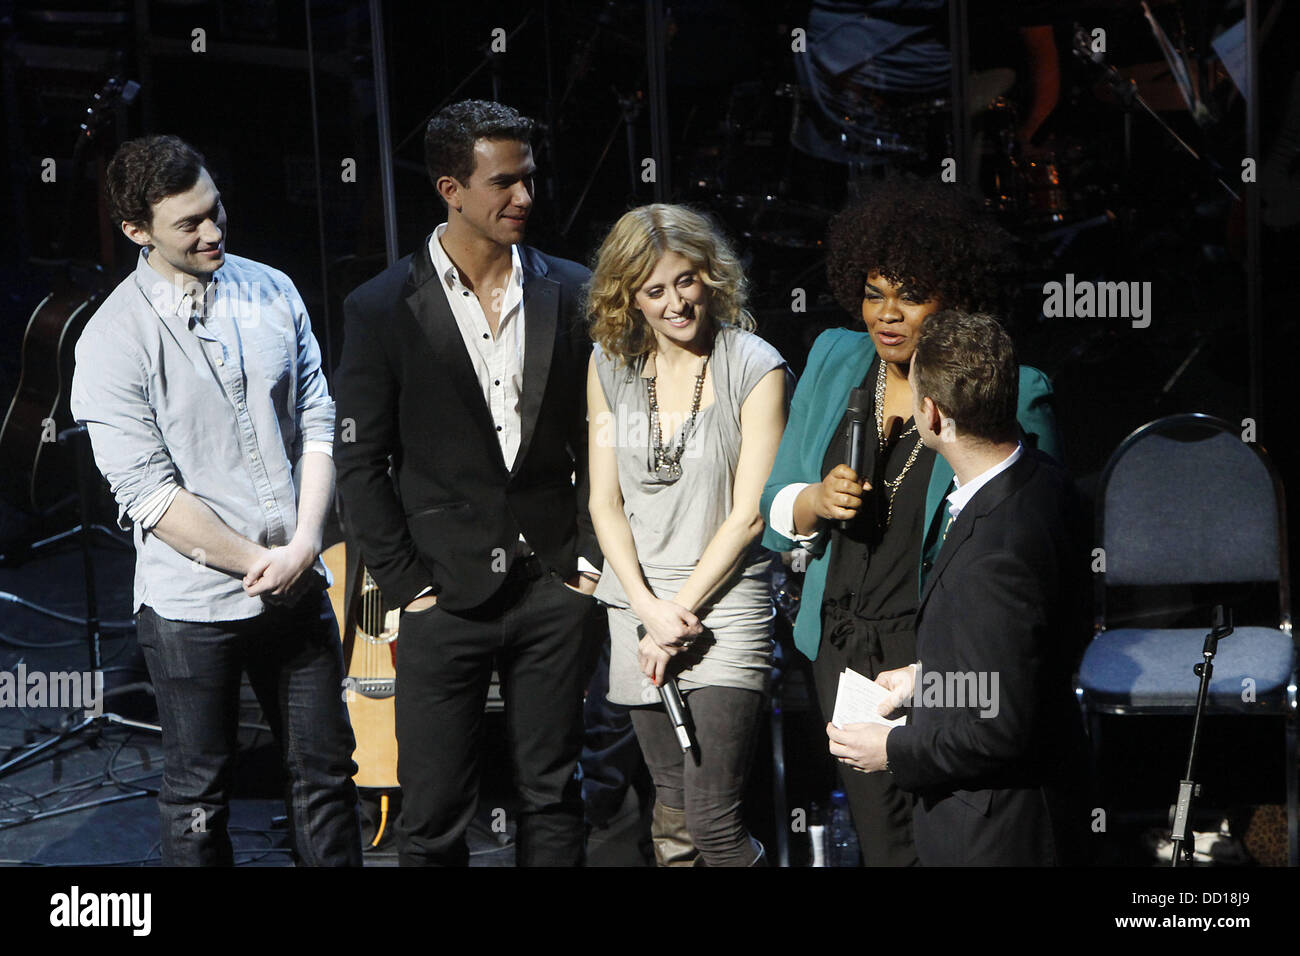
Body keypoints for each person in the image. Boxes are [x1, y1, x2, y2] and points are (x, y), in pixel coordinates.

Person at [70, 134, 361, 865]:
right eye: (189, 224)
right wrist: (258, 562)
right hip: (194, 607)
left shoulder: (270, 288)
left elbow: (319, 419)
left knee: (326, 775)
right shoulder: (113, 339)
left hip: (296, 580)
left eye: (215, 210)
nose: (213, 232)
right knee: (200, 792)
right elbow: (147, 491)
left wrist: (303, 546)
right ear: (138, 231)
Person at [758, 174, 1061, 866]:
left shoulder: (1012, 386)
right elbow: (773, 509)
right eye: (873, 292)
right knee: (884, 844)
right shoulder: (837, 359)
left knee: (953, 836)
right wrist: (812, 501)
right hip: (841, 642)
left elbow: (1030, 536)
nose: (886, 314)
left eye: (910, 294)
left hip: (937, 652)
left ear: (953, 295)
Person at [332, 100, 602, 866]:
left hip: (553, 584)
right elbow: (360, 459)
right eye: (504, 183)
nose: (524, 198)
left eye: (530, 180)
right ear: (451, 188)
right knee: (435, 814)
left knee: (552, 796)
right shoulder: (381, 307)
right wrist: (406, 586)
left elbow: (599, 437)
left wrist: (585, 563)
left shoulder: (573, 290)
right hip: (441, 594)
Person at [826, 309, 1089, 865]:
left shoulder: (995, 554)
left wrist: (892, 748)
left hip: (997, 831)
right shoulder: (1041, 477)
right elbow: (1019, 662)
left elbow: (998, 729)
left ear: (932, 413)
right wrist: (927, 680)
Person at [586, 204, 789, 867]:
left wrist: (679, 614)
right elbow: (605, 502)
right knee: (670, 807)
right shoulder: (608, 367)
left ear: (710, 276)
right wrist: (647, 610)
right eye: (654, 290)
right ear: (629, 297)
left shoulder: (754, 365)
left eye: (686, 281)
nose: (675, 302)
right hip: (638, 608)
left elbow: (749, 514)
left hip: (723, 606)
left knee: (714, 825)